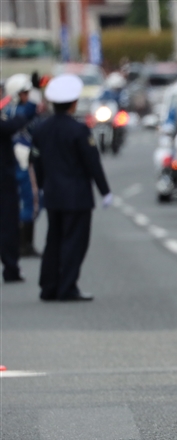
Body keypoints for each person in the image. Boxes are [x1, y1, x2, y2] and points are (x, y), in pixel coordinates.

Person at [31, 74, 112, 301]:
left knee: (53, 240)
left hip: (53, 194)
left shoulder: (40, 129)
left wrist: (41, 186)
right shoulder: (79, 130)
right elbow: (92, 163)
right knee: (74, 242)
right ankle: (67, 287)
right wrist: (105, 191)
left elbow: (36, 161)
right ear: (74, 102)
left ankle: (48, 287)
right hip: (77, 196)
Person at [0, 80, 37, 283]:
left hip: (6, 174)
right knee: (7, 224)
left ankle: (12, 266)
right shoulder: (6, 113)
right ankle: (10, 268)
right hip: (4, 177)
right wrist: (29, 107)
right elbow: (12, 126)